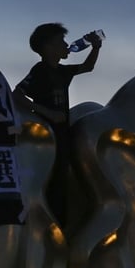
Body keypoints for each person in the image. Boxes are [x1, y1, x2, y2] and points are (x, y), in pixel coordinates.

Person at [13, 23, 102, 223]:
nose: (66, 45)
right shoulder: (39, 71)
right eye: (60, 41)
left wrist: (95, 47)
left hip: (62, 136)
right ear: (48, 47)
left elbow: (88, 67)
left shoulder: (61, 72)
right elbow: (16, 95)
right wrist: (47, 113)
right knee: (51, 183)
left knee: (64, 181)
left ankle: (62, 223)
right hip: (44, 140)